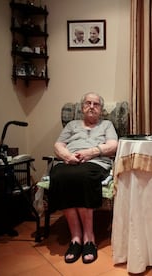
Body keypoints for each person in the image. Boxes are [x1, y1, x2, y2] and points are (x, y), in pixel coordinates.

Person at [49, 92, 118, 264]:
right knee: (59, 175)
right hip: (70, 161)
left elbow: (113, 145)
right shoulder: (72, 125)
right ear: (82, 107)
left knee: (84, 176)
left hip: (95, 163)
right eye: (88, 103)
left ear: (101, 109)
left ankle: (89, 237)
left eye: (96, 104)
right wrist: (67, 156)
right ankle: (76, 237)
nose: (92, 107)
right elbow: (58, 144)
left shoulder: (107, 124)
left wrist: (91, 152)